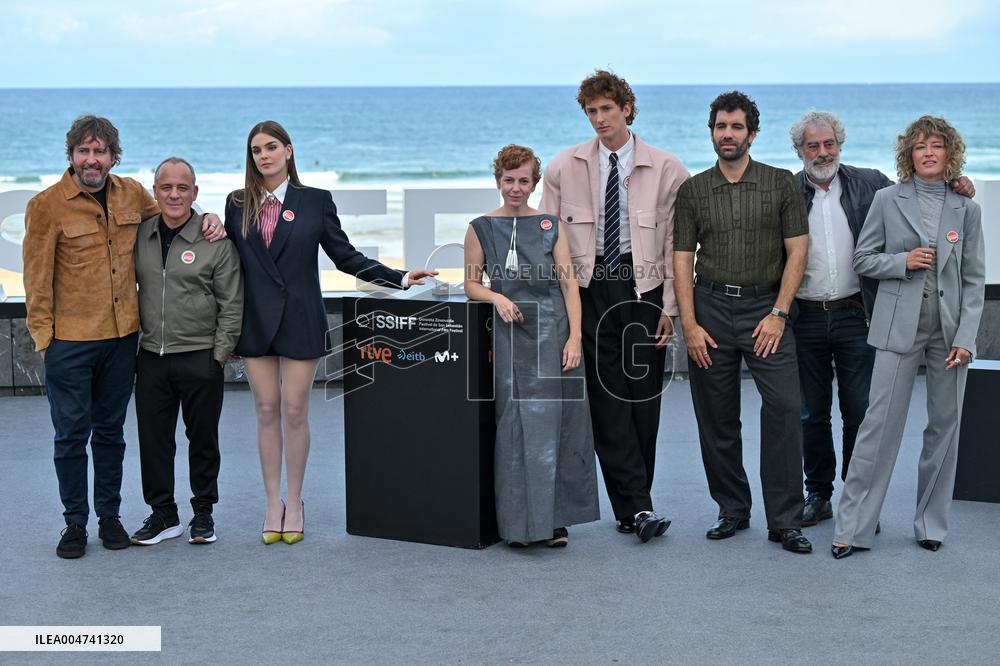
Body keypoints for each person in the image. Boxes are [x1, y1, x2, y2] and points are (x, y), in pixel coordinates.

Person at [224, 120, 436, 545]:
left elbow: (344, 256)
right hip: (254, 321)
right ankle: (272, 503)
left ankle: (296, 500)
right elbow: (226, 262)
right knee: (266, 410)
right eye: (255, 150)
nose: (263, 156)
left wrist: (397, 277)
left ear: (288, 151)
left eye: (270, 147)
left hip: (301, 318)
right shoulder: (236, 203)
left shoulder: (315, 201)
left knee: (295, 410)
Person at [22, 115, 225, 559]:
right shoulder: (46, 205)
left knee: (110, 433)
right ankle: (74, 523)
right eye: (83, 151)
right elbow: (35, 280)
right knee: (70, 436)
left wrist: (209, 217)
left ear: (114, 156)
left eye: (100, 152)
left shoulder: (134, 193)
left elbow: (176, 219)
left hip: (121, 341)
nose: (91, 160)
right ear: (71, 155)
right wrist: (45, 341)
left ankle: (109, 517)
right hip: (69, 343)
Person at [789, 111, 976, 527]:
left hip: (858, 313)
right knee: (810, 413)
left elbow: (921, 201)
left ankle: (859, 510)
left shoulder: (871, 183)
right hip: (804, 316)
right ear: (800, 151)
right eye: (813, 146)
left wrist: (959, 184)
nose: (822, 153)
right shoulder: (787, 190)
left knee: (863, 414)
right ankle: (818, 494)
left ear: (840, 145)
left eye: (829, 144)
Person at [541, 70, 688, 542]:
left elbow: (675, 246)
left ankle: (631, 506)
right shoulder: (563, 167)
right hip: (591, 286)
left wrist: (670, 307)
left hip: (644, 289)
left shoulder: (668, 168)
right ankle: (639, 506)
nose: (599, 119)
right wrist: (564, 309)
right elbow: (549, 241)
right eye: (591, 111)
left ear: (627, 109)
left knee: (642, 401)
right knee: (608, 401)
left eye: (607, 109)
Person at [831, 116, 985, 558]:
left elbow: (974, 281)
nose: (929, 152)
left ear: (949, 153)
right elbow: (863, 259)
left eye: (937, 145)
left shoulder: (967, 208)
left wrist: (967, 337)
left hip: (951, 333)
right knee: (877, 427)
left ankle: (930, 524)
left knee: (944, 428)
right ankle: (853, 527)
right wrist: (903, 261)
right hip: (897, 327)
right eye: (920, 147)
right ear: (909, 155)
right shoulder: (886, 199)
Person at [674, 91, 813, 554]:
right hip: (710, 309)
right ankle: (731, 508)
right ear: (711, 132)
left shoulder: (780, 185)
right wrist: (689, 325)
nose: (727, 134)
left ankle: (785, 520)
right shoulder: (693, 190)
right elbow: (681, 261)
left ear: (752, 133)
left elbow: (798, 252)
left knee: (784, 408)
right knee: (716, 416)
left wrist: (778, 313)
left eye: (736, 127)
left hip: (765, 312)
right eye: (720, 126)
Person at [464, 145, 600, 547]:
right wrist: (498, 299)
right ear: (497, 181)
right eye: (509, 180)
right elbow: (471, 283)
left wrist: (575, 337)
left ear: (535, 182)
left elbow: (569, 284)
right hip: (510, 336)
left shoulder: (550, 224)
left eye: (524, 180)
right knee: (515, 427)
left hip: (555, 333)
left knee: (560, 427)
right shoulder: (480, 227)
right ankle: (518, 525)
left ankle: (554, 522)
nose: (516, 188)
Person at [130, 157, 243, 546]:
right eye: (166, 187)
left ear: (195, 193)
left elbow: (232, 302)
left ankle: (203, 514)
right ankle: (163, 515)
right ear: (155, 192)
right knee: (154, 440)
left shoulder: (215, 240)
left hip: (200, 355)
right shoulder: (140, 236)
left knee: (203, 439)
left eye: (183, 188)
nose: (174, 194)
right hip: (151, 356)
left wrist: (219, 353)